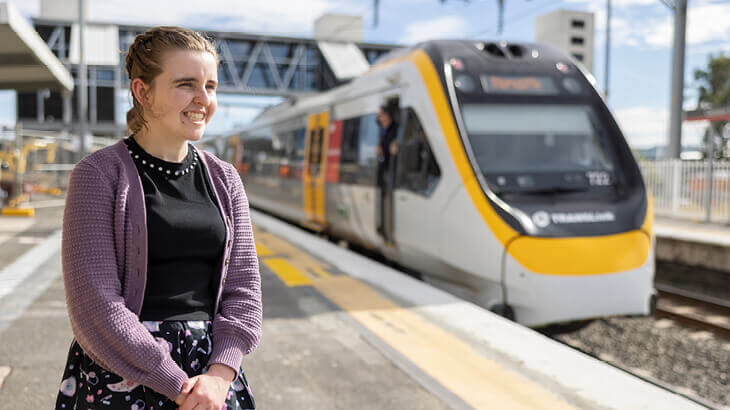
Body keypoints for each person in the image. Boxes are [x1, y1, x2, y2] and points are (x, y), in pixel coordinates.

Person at [55, 27, 261, 410]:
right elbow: (94, 305)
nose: (204, 100)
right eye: (186, 84)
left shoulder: (225, 178)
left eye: (211, 86)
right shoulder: (98, 175)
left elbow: (244, 290)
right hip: (122, 373)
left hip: (212, 380)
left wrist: (220, 376)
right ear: (142, 91)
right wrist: (178, 385)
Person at [375, 102, 398, 236]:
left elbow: (394, 148)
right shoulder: (381, 130)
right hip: (383, 170)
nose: (378, 118)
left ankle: (388, 229)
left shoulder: (394, 129)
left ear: (387, 115)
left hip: (392, 169)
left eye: (380, 115)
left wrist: (386, 150)